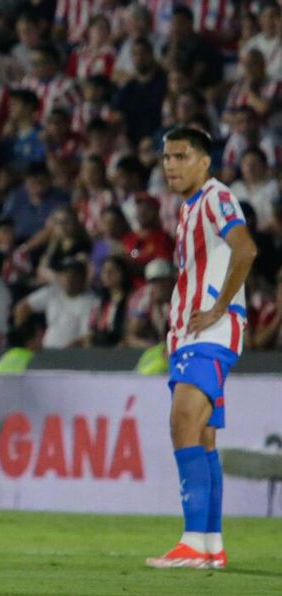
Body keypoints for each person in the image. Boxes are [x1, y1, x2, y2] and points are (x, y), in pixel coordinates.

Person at [146, 127, 257, 570]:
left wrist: (217, 309)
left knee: (182, 424)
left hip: (208, 334)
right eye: (166, 156)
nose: (170, 164)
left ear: (204, 161)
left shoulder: (215, 196)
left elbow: (246, 249)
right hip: (192, 334)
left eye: (180, 156)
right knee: (204, 436)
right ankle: (209, 546)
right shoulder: (190, 207)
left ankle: (192, 542)